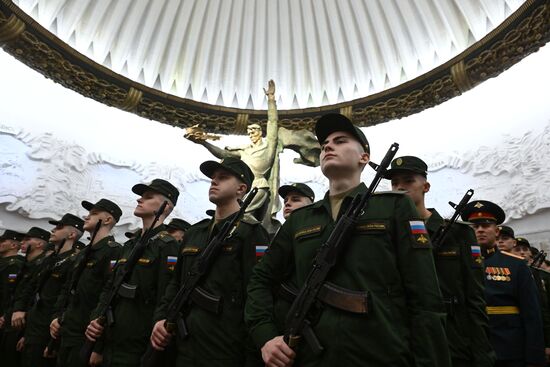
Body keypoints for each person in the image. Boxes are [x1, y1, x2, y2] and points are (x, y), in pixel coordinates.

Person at [245, 113, 451, 367]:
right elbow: (261, 279)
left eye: (340, 141)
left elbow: (425, 296)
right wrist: (265, 336)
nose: (328, 146)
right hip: (310, 357)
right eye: (324, 145)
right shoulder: (301, 220)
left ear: (364, 157)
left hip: (382, 356)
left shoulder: (394, 208)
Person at [150, 157, 269, 366]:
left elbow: (257, 292)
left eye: (222, 178)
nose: (214, 182)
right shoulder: (195, 232)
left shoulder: (251, 232)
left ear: (241, 189)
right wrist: (161, 318)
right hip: (185, 345)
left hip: (224, 350)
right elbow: (175, 283)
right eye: (213, 178)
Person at [385, 155, 494, 367]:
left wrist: (483, 353)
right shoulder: (387, 235)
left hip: (453, 340)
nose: (399, 188)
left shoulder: (458, 234)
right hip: (405, 341)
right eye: (395, 183)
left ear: (425, 186)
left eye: (408, 181)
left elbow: (475, 298)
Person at [85, 179, 181, 366]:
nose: (139, 200)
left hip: (138, 346)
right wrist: (96, 319)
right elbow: (109, 288)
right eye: (141, 196)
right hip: (112, 338)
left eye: (148, 197)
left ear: (165, 206)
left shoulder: (167, 246)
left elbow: (165, 297)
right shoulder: (129, 245)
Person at [461, 200, 545, 366]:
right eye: (475, 226)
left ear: (497, 230)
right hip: (470, 347)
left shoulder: (516, 264)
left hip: (509, 347)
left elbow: (532, 312)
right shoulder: (460, 263)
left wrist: (535, 355)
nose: (480, 230)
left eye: (486, 225)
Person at [50, 199, 123, 367]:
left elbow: (109, 296)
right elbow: (67, 288)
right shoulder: (82, 254)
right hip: (67, 328)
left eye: (94, 214)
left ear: (107, 220)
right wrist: (56, 317)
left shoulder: (113, 251)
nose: (87, 217)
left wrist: (98, 346)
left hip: (86, 333)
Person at [22, 214, 84, 366]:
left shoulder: (73, 261)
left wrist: (53, 342)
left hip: (48, 329)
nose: (53, 230)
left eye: (59, 227)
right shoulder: (49, 260)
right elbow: (32, 288)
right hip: (32, 326)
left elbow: (65, 300)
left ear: (71, 234)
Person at [10, 227, 51, 363]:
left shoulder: (40, 265)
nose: (22, 242)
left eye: (27, 240)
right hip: (13, 320)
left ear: (39, 244)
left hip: (26, 326)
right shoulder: (27, 265)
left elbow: (35, 300)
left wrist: (26, 334)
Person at [0, 229, 25, 366]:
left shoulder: (13, 264)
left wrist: (5, 314)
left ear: (14, 245)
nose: (0, 243)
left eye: (3, 241)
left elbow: (10, 292)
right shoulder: (4, 262)